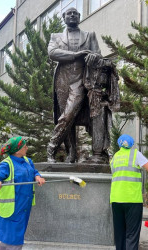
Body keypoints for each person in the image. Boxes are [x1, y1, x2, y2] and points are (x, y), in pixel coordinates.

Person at [47, 7, 102, 163]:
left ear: (79, 17)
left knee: (68, 115)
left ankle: (52, 146)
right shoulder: (56, 37)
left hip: (80, 80)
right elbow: (52, 53)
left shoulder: (89, 35)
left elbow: (97, 54)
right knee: (66, 118)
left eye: (75, 13)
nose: (72, 15)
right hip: (62, 80)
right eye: (68, 13)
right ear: (64, 18)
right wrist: (76, 55)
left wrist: (93, 56)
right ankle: (71, 153)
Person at [0, 136, 45, 250]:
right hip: (13, 208)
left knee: (11, 236)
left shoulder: (28, 161)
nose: (27, 148)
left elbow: (34, 171)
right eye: (25, 146)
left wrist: (38, 176)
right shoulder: (7, 164)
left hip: (24, 205)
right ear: (18, 150)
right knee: (15, 238)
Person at [110, 134, 148, 250]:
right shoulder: (135, 154)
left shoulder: (115, 157)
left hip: (116, 199)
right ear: (131, 144)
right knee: (132, 234)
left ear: (119, 144)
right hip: (132, 200)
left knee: (119, 233)